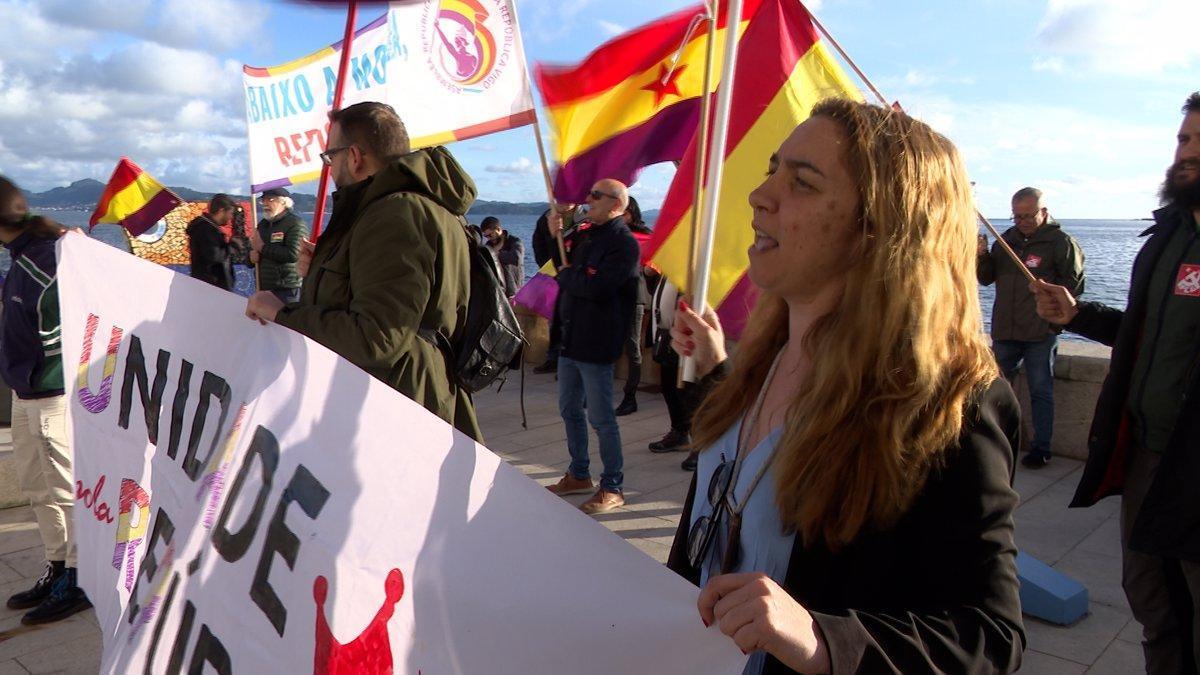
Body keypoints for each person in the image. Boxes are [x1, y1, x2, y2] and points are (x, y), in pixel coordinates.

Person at [664, 100, 1024, 673]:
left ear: (880, 228)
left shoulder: (949, 406)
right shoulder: (760, 364)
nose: (761, 196)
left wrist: (823, 639)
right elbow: (741, 472)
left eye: (802, 182)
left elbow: (990, 637)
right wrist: (714, 375)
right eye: (772, 171)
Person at [1031, 92, 1200, 675]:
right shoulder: (1166, 239)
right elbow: (1141, 335)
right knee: (1152, 599)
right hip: (1149, 456)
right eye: (1184, 139)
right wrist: (1077, 314)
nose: (1187, 153)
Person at [245, 101, 481, 441]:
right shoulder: (417, 205)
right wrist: (326, 267)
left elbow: (377, 337)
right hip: (407, 394)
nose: (330, 167)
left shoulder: (395, 212)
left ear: (354, 156)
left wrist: (282, 313)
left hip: (395, 408)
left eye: (330, 157)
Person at [0, 177, 92, 625]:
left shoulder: (44, 262)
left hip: (50, 395)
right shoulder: (21, 258)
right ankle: (57, 562)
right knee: (38, 488)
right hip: (23, 392)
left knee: (65, 488)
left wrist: (43, 373)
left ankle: (79, 576)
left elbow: (65, 327)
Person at [544, 179, 641, 514]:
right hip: (572, 339)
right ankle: (579, 474)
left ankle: (613, 486)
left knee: (601, 418)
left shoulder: (624, 244)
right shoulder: (587, 234)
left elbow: (597, 287)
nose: (588, 199)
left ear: (617, 204)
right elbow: (554, 256)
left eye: (595, 195)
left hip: (597, 341)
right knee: (569, 409)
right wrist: (550, 228)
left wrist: (567, 276)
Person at [978, 187, 1085, 468]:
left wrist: (1054, 325)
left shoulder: (1061, 243)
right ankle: (996, 445)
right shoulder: (1006, 241)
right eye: (1016, 216)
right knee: (994, 389)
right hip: (1005, 329)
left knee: (1041, 391)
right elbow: (986, 278)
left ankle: (1041, 448)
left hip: (1040, 332)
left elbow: (1074, 289)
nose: (1022, 221)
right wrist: (981, 256)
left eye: (1028, 216)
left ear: (1044, 212)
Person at [531, 202, 582, 374]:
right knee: (555, 319)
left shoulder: (585, 219)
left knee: (572, 321)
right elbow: (538, 245)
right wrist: (547, 267)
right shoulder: (546, 218)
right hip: (553, 276)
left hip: (576, 279)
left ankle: (569, 361)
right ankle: (554, 358)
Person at [615, 196, 653, 416]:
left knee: (632, 346)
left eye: (625, 211)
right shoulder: (611, 234)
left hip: (633, 296)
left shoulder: (645, 235)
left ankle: (630, 397)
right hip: (611, 296)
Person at [250, 187, 309, 304]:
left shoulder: (295, 224)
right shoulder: (263, 225)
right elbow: (255, 249)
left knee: (284, 322)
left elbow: (293, 254)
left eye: (270, 199)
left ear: (284, 202)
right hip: (263, 287)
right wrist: (251, 258)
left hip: (287, 289)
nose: (265, 203)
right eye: (263, 200)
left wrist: (262, 248)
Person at [187, 194, 238, 290]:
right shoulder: (206, 229)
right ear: (221, 211)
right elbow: (215, 256)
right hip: (211, 286)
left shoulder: (209, 228)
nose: (231, 217)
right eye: (230, 213)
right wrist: (233, 246)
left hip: (209, 284)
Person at [480, 216, 524, 297]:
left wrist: (495, 255)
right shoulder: (488, 246)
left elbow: (516, 259)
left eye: (490, 235)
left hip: (513, 291)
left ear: (498, 229)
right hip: (497, 292)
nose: (489, 238)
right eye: (486, 236)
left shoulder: (514, 241)